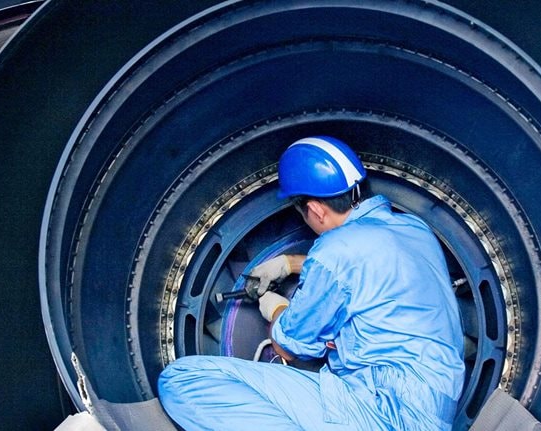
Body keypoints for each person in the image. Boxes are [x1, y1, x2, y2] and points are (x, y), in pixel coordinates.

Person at [158, 136, 465, 430]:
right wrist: (290, 264)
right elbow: (371, 271)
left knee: (179, 380)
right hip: (432, 415)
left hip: (378, 411)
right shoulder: (415, 230)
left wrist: (274, 306)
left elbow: (287, 347)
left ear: (316, 209)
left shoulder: (334, 251)